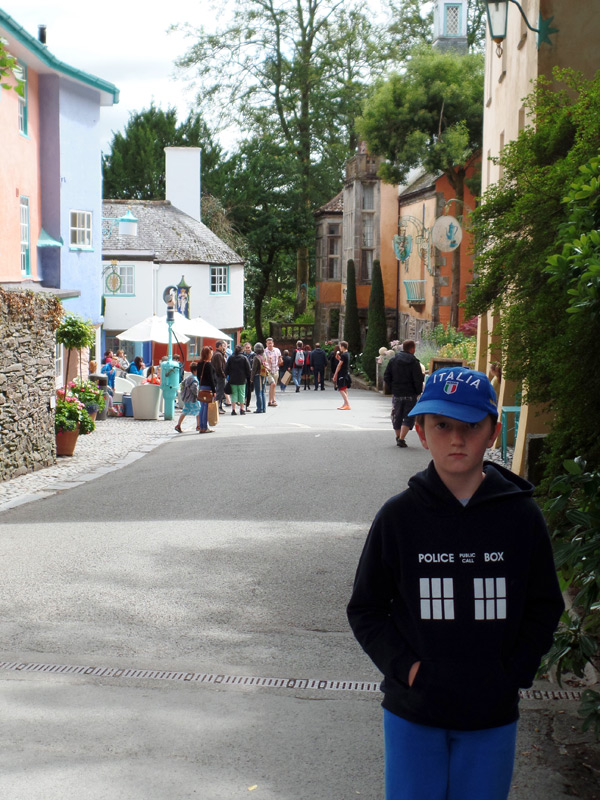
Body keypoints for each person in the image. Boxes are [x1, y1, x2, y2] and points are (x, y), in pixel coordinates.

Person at [347, 367, 564, 800]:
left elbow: (544, 604)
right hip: (414, 712)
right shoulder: (399, 517)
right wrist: (407, 669)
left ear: (493, 432)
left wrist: (513, 672)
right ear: (422, 432)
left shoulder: (521, 518)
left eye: (471, 426)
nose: (457, 439)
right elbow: (366, 608)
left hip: (492, 714)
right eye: (442, 425)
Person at [383, 339, 424, 448]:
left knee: (397, 415)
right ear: (412, 349)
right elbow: (418, 379)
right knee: (409, 416)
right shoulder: (414, 362)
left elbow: (386, 376)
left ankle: (398, 436)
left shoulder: (393, 360)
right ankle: (401, 438)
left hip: (397, 393)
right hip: (410, 393)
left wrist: (393, 387)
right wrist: (417, 391)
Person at [174, 362, 200, 433]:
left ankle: (178, 425)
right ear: (195, 371)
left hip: (187, 398)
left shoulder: (188, 378)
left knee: (185, 411)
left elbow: (182, 385)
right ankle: (198, 425)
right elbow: (194, 389)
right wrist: (198, 395)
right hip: (193, 398)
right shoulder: (194, 379)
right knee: (199, 410)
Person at [195, 347, 216, 433]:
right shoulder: (208, 365)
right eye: (211, 353)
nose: (212, 354)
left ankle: (201, 426)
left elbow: (198, 376)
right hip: (208, 387)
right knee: (206, 408)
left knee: (202, 408)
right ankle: (204, 427)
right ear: (208, 354)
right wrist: (214, 390)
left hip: (202, 387)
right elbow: (211, 379)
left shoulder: (199, 364)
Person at [225, 344, 251, 415]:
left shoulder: (231, 358)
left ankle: (233, 410)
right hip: (242, 379)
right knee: (242, 394)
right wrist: (248, 376)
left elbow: (226, 369)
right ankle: (242, 409)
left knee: (234, 394)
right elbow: (248, 369)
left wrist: (228, 375)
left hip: (233, 379)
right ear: (241, 350)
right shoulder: (244, 358)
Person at [333, 341, 351, 409]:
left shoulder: (343, 355)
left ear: (343, 347)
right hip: (346, 373)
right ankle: (345, 404)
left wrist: (335, 374)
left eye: (340, 346)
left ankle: (347, 404)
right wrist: (339, 358)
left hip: (342, 374)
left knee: (340, 389)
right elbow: (342, 362)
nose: (339, 348)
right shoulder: (347, 354)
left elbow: (339, 365)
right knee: (344, 389)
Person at [251, 342, 268, 413]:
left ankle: (259, 408)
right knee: (263, 392)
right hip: (264, 375)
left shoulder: (256, 357)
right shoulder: (264, 356)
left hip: (258, 376)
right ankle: (263, 408)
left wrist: (251, 378)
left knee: (258, 393)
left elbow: (254, 369)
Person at [265, 337, 282, 407]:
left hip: (275, 369)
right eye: (268, 343)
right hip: (268, 370)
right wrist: (268, 361)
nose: (270, 345)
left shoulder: (277, 350)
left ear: (273, 343)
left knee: (273, 386)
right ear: (266, 344)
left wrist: (280, 360)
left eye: (271, 343)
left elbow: (280, 357)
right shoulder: (264, 351)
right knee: (273, 384)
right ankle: (273, 400)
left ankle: (270, 400)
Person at [212, 340, 227, 414]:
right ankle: (217, 407)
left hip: (218, 375)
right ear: (220, 346)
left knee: (220, 392)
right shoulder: (218, 354)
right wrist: (223, 375)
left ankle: (220, 407)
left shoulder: (219, 354)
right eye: (223, 346)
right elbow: (219, 367)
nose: (224, 347)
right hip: (219, 376)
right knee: (219, 392)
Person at [242, 341, 255, 412]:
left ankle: (247, 405)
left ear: (251, 347)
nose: (247, 349)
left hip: (250, 375)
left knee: (249, 390)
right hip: (243, 375)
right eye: (246, 348)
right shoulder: (242, 355)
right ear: (244, 348)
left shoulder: (254, 355)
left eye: (249, 347)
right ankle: (243, 405)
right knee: (243, 390)